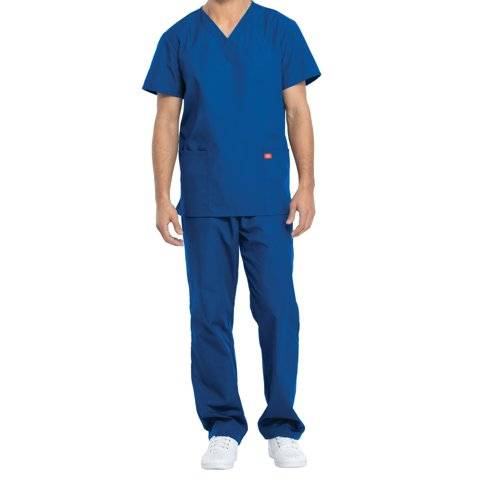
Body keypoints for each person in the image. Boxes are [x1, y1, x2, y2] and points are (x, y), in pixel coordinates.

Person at [143, 0, 320, 469]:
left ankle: (281, 426)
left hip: (267, 197)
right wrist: (162, 195)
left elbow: (297, 110)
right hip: (205, 196)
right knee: (209, 315)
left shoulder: (280, 31)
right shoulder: (179, 38)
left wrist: (307, 184)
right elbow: (166, 119)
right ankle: (223, 426)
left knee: (279, 311)